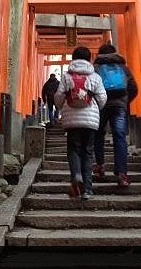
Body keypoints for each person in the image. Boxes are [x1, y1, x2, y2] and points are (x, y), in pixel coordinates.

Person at [54, 46, 107, 200]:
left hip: (71, 120)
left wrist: (64, 104)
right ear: (90, 59)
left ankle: (76, 175)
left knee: (74, 149)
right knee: (88, 152)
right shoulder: (95, 77)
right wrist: (94, 103)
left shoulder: (66, 76)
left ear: (73, 59)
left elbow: (58, 98)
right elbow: (103, 99)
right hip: (90, 120)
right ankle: (88, 190)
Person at [92, 44, 138, 187]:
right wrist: (125, 102)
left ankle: (99, 166)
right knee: (119, 137)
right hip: (119, 106)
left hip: (102, 105)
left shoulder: (96, 68)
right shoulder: (123, 67)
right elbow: (133, 87)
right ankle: (122, 173)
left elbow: (91, 87)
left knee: (98, 135)